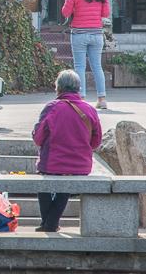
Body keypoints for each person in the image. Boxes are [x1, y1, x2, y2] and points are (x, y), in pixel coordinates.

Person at [32, 69, 102, 232]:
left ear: (58, 89)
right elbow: (96, 142)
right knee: (66, 182)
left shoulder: (51, 107)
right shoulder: (90, 110)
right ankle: (50, 223)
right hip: (80, 166)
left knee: (42, 182)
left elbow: (38, 139)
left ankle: (49, 223)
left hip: (51, 166)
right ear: (78, 89)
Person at [62, 0, 111, 109]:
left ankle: (81, 99)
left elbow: (65, 12)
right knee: (97, 66)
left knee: (80, 67)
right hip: (96, 34)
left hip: (79, 34)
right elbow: (106, 13)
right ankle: (102, 99)